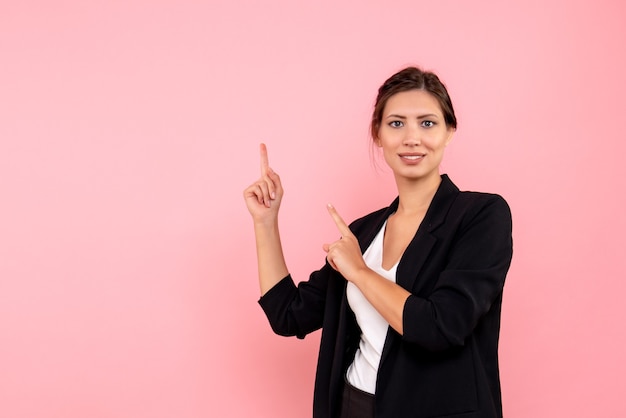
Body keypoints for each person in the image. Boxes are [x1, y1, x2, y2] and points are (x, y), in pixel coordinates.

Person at [243, 66, 513, 418]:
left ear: (449, 132)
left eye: (427, 123)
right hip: (354, 405)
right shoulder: (364, 232)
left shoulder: (481, 215)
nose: (411, 138)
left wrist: (359, 271)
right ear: (378, 135)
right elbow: (288, 315)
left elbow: (441, 325)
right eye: (396, 123)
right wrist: (265, 223)